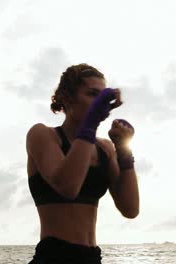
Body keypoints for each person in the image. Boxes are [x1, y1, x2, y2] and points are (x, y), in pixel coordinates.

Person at [26, 63, 139, 264]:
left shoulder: (104, 149)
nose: (99, 103)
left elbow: (130, 209)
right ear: (67, 98)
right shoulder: (43, 135)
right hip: (53, 256)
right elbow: (67, 187)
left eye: (102, 97)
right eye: (92, 94)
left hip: (92, 258)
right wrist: (91, 124)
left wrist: (123, 150)